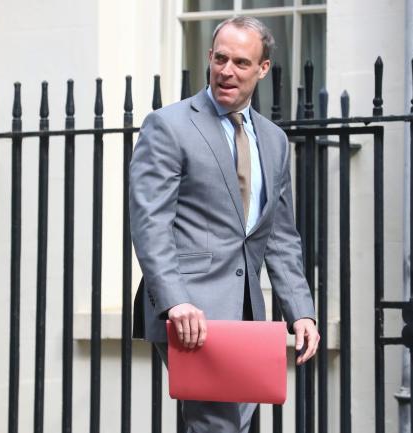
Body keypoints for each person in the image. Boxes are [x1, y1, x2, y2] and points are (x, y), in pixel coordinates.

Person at [130, 15, 320, 433]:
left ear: (263, 69)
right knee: (218, 422)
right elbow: (150, 221)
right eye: (219, 59)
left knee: (235, 422)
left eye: (240, 62)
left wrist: (300, 310)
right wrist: (174, 299)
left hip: (248, 309)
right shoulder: (169, 125)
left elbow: (280, 235)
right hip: (190, 307)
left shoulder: (273, 140)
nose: (226, 71)